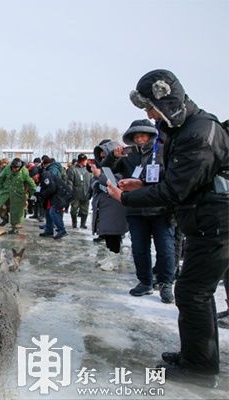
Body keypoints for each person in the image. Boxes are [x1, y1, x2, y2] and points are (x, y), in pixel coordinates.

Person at [107, 69, 229, 385]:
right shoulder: (185, 129)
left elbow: (178, 190)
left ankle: (199, 369)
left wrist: (125, 198)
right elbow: (180, 179)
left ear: (167, 101)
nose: (149, 116)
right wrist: (140, 183)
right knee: (194, 292)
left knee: (192, 293)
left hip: (215, 224)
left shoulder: (200, 132)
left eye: (150, 108)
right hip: (204, 222)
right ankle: (195, 355)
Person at [104, 119, 176, 303]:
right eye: (136, 136)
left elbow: (172, 177)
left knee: (165, 248)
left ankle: (166, 283)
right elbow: (107, 169)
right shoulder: (128, 155)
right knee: (139, 249)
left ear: (151, 135)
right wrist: (113, 157)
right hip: (135, 209)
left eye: (143, 135)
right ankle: (145, 282)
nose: (139, 139)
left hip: (161, 209)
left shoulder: (163, 151)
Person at [87, 159, 128, 271]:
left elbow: (113, 185)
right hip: (105, 208)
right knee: (109, 235)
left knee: (113, 235)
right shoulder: (103, 173)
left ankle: (113, 261)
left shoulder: (114, 173)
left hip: (113, 209)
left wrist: (100, 176)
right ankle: (110, 257)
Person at [31, 165, 73, 240]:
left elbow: (51, 188)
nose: (33, 179)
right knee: (47, 210)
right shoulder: (41, 178)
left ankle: (62, 230)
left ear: (37, 174)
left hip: (63, 195)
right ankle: (49, 230)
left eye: (33, 177)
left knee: (53, 211)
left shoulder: (46, 176)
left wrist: (41, 194)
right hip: (56, 195)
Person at [0, 158, 36, 234]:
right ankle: (5, 218)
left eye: (16, 168)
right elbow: (0, 178)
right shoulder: (7, 169)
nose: (14, 169)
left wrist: (28, 195)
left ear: (20, 167)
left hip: (18, 194)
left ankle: (15, 228)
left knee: (16, 212)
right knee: (0, 206)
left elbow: (32, 185)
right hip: (6, 192)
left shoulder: (24, 172)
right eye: (13, 167)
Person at [66, 153, 91, 229]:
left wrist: (91, 192)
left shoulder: (88, 169)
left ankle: (83, 224)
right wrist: (70, 192)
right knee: (74, 210)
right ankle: (74, 223)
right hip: (76, 194)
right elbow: (69, 182)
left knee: (85, 210)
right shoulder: (73, 169)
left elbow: (91, 181)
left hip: (86, 193)